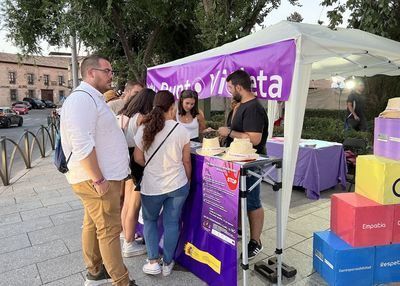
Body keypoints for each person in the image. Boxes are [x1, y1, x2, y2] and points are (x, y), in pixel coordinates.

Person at [60, 54, 137, 286]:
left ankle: (95, 272)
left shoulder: (93, 98)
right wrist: (99, 178)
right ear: (91, 73)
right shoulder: (82, 99)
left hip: (99, 177)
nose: (111, 76)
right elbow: (81, 143)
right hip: (97, 180)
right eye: (108, 71)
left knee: (94, 224)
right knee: (109, 231)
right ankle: (121, 281)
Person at [134, 90, 191, 276]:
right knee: (172, 222)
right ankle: (167, 263)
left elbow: (138, 158)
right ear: (172, 107)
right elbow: (186, 161)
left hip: (152, 186)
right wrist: (188, 179)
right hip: (177, 185)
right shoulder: (181, 129)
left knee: (150, 221)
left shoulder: (144, 128)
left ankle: (152, 262)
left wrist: (153, 167)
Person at [217, 69, 268, 260]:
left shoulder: (253, 107)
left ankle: (256, 242)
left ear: (239, 87)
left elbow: (254, 139)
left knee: (252, 202)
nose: (230, 92)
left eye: (231, 88)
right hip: (239, 162)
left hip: (251, 164)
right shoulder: (242, 105)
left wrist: (228, 132)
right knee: (239, 199)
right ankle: (238, 231)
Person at [117, 88, 156, 258]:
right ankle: (129, 243)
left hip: (127, 160)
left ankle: (126, 234)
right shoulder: (142, 118)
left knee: (127, 203)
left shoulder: (127, 115)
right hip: (137, 163)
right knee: (134, 205)